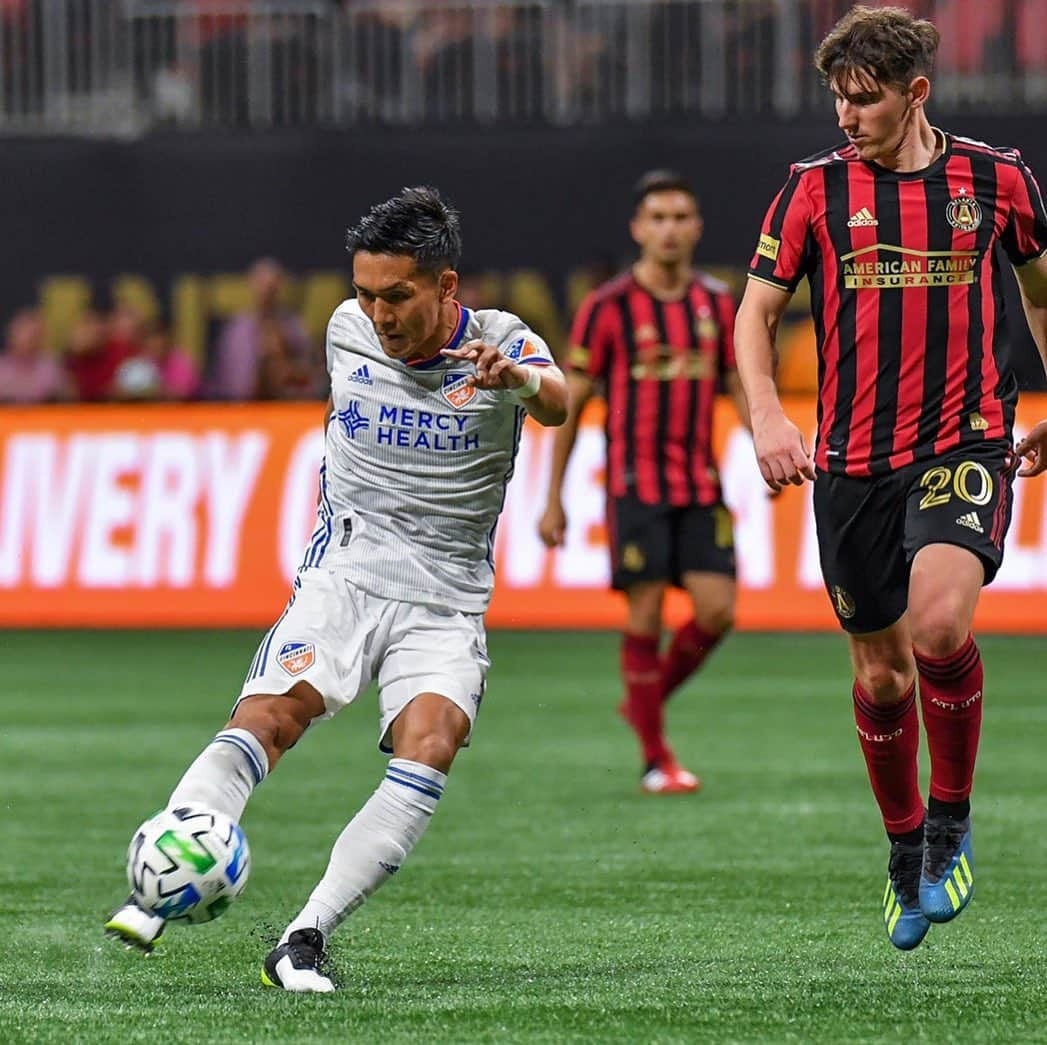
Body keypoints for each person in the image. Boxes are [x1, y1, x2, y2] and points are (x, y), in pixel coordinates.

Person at [104, 186, 567, 990]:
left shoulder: (504, 343)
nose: (379, 313)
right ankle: (162, 877)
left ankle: (302, 938)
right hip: (345, 572)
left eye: (398, 295)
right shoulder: (345, 332)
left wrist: (519, 383)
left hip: (446, 595)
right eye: (366, 293)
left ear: (446, 286)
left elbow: (559, 401)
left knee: (433, 743)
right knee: (270, 718)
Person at [735, 5, 1047, 952]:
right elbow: (755, 314)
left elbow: (1039, 291)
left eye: (863, 99)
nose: (845, 115)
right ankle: (903, 841)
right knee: (879, 675)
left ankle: (950, 820)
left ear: (915, 93)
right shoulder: (808, 191)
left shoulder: (995, 181)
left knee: (938, 625)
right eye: (835, 96)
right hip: (851, 463)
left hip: (963, 441)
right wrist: (765, 413)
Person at [538, 170, 750, 795]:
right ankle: (657, 757)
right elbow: (571, 403)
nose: (669, 229)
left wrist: (767, 445)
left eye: (680, 217)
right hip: (635, 487)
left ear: (697, 227)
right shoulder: (607, 309)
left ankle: (644, 699)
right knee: (647, 614)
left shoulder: (717, 304)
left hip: (700, 484)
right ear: (637, 229)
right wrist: (553, 498)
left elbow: (737, 384)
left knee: (718, 613)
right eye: (657, 218)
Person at [209, 257, 320, 401]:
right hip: (241, 408)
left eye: (271, 286)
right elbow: (225, 380)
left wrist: (285, 366)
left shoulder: (293, 327)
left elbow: (309, 374)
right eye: (261, 284)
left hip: (287, 406)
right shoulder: (236, 330)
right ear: (251, 284)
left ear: (280, 287)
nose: (266, 291)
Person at [0, 308, 68, 404]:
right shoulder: (2, 366)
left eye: (34, 334)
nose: (28, 338)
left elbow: (65, 399)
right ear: (11, 334)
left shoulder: (50, 365)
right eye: (23, 331)